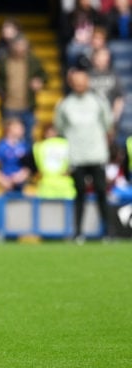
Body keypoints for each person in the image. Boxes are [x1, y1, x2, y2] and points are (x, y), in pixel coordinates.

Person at [54, 66, 113, 242]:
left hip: (97, 155)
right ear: (72, 83)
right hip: (77, 156)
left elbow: (107, 125)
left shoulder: (99, 102)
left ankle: (108, 232)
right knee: (79, 194)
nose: (80, 85)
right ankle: (78, 232)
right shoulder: (65, 105)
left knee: (102, 193)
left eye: (83, 81)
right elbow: (60, 128)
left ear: (88, 82)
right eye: (76, 82)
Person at [0, 36, 46, 141]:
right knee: (9, 138)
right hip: (9, 105)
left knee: (28, 137)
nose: (20, 49)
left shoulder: (33, 61)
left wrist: (39, 81)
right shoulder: (4, 61)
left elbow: (44, 76)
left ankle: (28, 157)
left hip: (27, 105)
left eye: (23, 46)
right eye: (18, 46)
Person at [0, 117, 33, 193]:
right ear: (9, 129)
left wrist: (22, 175)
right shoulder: (2, 146)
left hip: (22, 188)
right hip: (7, 189)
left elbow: (30, 166)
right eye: (18, 127)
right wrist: (3, 179)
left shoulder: (25, 146)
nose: (22, 129)